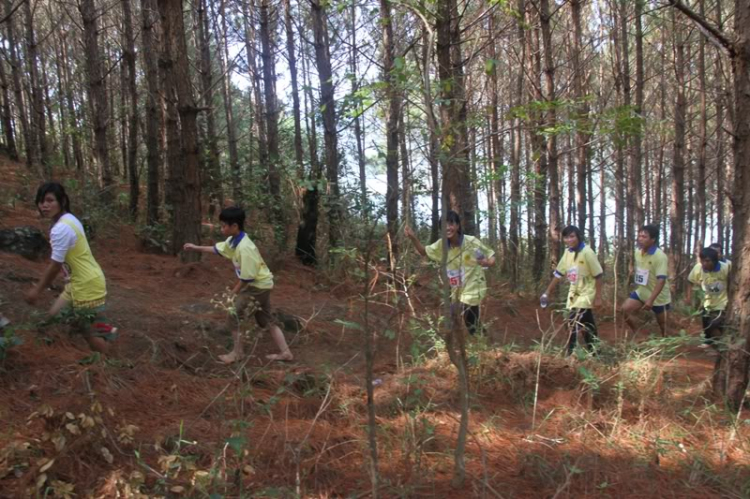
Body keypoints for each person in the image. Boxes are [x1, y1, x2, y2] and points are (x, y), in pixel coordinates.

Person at [183, 207, 293, 363]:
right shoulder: (234, 241)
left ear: (234, 226)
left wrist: (233, 292)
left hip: (257, 287)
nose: (221, 229)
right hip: (262, 284)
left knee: (234, 315)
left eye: (224, 226)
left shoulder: (245, 247)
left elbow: (247, 277)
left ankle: (237, 353)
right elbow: (218, 249)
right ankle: (286, 353)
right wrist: (196, 247)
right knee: (266, 320)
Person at [24, 182, 117, 353]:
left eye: (50, 200)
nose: (44, 205)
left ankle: (111, 361)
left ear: (62, 201)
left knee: (89, 333)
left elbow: (54, 266)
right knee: (52, 316)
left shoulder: (61, 228)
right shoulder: (69, 219)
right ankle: (108, 331)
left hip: (86, 283)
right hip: (78, 282)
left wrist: (36, 290)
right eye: (41, 201)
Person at [404, 211, 495, 336]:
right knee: (467, 321)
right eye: (444, 225)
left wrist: (487, 262)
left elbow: (491, 255)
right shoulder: (441, 245)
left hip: (474, 287)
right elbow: (423, 252)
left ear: (457, 226)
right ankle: (482, 340)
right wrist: (413, 237)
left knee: (460, 314)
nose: (447, 228)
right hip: (457, 290)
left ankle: (471, 344)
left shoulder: (471, 242)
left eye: (451, 224)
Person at [541, 226, 604, 355]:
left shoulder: (587, 252)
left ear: (578, 237)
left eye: (572, 236)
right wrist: (546, 293)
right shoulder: (567, 253)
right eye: (566, 237)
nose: (569, 240)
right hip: (573, 294)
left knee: (572, 321)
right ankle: (595, 352)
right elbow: (558, 274)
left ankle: (570, 354)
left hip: (587, 293)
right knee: (587, 323)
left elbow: (598, 275)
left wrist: (598, 297)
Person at [621, 224, 672, 337]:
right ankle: (639, 336)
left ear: (653, 239)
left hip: (659, 296)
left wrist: (650, 300)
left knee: (663, 325)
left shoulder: (660, 256)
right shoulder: (637, 252)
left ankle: (665, 344)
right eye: (639, 236)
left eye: (644, 237)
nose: (640, 239)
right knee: (626, 309)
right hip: (642, 291)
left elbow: (661, 280)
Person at [687, 247, 730, 349]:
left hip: (722, 303)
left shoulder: (726, 268)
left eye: (707, 261)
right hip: (706, 303)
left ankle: (721, 348)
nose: (704, 264)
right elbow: (690, 281)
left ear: (715, 261)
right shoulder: (698, 268)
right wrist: (688, 297)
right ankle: (718, 346)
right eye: (702, 261)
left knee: (714, 324)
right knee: (708, 326)